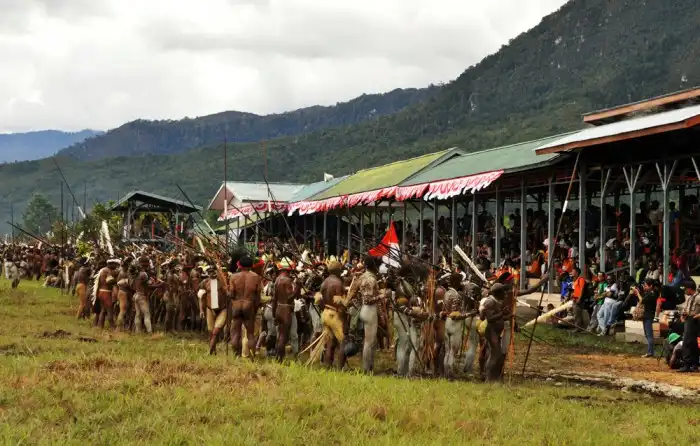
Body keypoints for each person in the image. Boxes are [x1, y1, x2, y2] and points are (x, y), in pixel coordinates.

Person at [229, 256, 262, 357]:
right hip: (249, 304)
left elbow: (231, 294)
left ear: (240, 266)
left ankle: (236, 356)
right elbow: (258, 296)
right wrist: (255, 309)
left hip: (237, 305)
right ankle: (252, 357)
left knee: (236, 333)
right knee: (250, 334)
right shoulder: (256, 277)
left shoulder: (233, 277)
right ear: (251, 266)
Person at [355, 256, 382, 373]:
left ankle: (369, 367)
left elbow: (355, 294)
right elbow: (368, 299)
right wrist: (383, 295)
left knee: (370, 342)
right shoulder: (371, 279)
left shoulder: (361, 277)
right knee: (369, 342)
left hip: (364, 310)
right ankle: (366, 369)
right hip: (369, 310)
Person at [319, 260, 346, 368]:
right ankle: (340, 368)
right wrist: (343, 316)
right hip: (334, 314)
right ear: (338, 271)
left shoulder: (324, 282)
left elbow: (320, 301)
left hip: (325, 313)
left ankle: (327, 366)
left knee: (330, 342)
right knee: (343, 341)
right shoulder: (338, 283)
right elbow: (339, 303)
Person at [272, 258, 299, 362]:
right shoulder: (287, 280)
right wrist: (297, 288)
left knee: (280, 335)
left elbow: (274, 299)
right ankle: (280, 359)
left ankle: (278, 357)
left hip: (278, 308)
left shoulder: (277, 280)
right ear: (288, 269)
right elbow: (289, 297)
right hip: (286, 309)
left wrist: (274, 314)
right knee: (283, 336)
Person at [198, 265, 229, 354]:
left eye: (213, 271)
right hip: (210, 309)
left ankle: (210, 351)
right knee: (211, 333)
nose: (212, 273)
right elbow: (201, 298)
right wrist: (201, 310)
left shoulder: (222, 282)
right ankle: (213, 349)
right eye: (210, 272)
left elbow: (228, 295)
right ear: (207, 273)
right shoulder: (204, 282)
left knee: (215, 332)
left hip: (222, 310)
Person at [678, 281, 700, 373]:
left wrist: (697, 316)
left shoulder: (698, 297)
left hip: (694, 321)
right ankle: (693, 364)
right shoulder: (690, 297)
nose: (685, 291)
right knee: (691, 343)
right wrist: (683, 314)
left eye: (685, 289)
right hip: (688, 319)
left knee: (688, 342)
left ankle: (687, 364)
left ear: (690, 289)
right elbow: (687, 308)